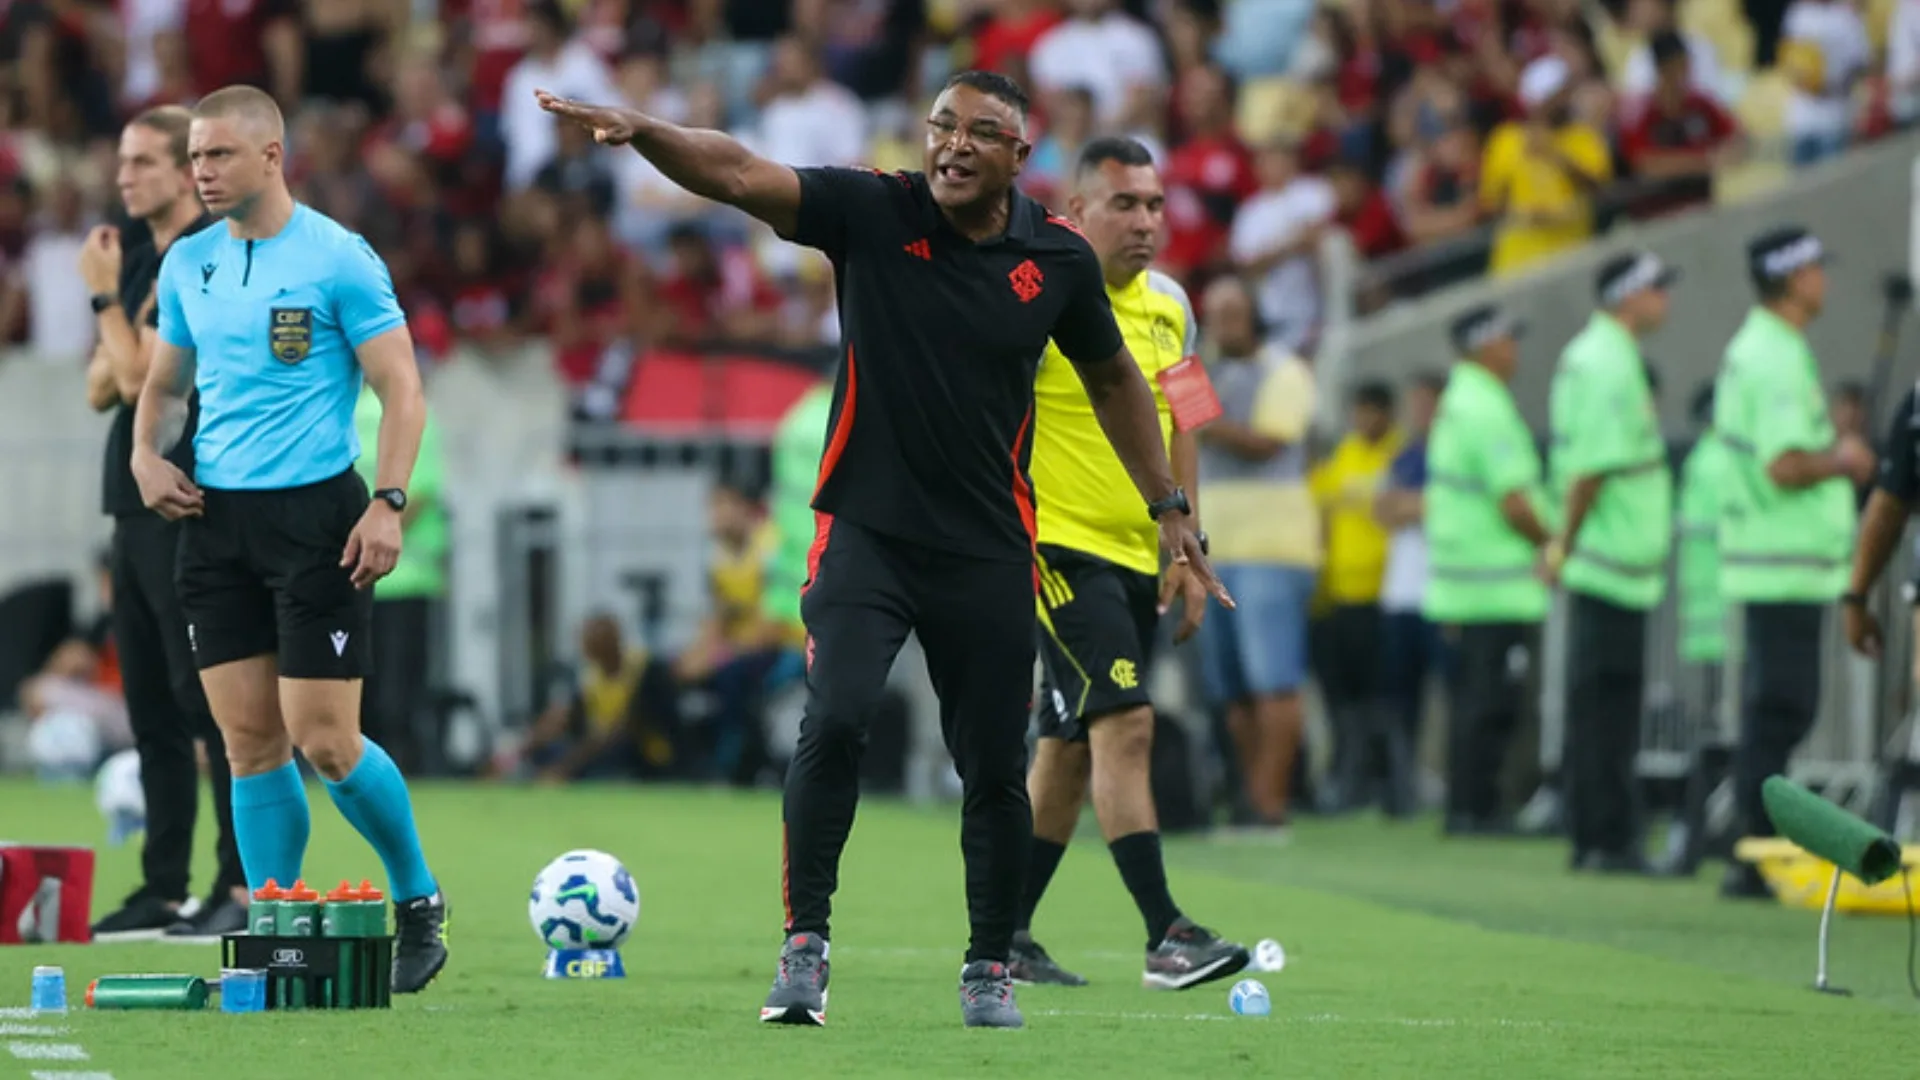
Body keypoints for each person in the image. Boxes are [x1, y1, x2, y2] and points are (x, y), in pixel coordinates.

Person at [535, 70, 1223, 1029]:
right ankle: (804, 946)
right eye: (941, 124)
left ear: (1019, 159)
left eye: (981, 133)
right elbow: (739, 172)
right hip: (868, 534)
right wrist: (645, 127)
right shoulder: (872, 208)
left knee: (993, 762)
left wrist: (1171, 509)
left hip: (990, 545)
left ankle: (990, 965)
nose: (952, 144)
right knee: (838, 718)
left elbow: (1116, 381)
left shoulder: (1060, 264)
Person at [131, 86, 448, 991]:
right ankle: (278, 925)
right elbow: (162, 390)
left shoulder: (338, 259)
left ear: (273, 156)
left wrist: (387, 502)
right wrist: (147, 464)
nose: (202, 172)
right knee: (247, 744)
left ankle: (419, 898)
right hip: (215, 524)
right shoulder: (189, 263)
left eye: (219, 155)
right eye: (194, 156)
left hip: (318, 521)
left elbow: (403, 388)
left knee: (327, 742)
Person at [1009, 136, 1250, 992]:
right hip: (1055, 548)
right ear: (1076, 212)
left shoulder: (1172, 306)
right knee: (1128, 722)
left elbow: (1188, 420)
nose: (1146, 222)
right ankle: (1166, 933)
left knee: (1069, 750)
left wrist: (1187, 544)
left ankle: (1004, 937)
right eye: (1124, 205)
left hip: (1134, 556)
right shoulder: (1035, 297)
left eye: (1154, 205)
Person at [79, 105, 248, 940]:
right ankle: (163, 885)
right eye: (122, 161)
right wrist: (118, 330)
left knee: (207, 702)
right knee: (149, 704)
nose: (125, 177)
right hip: (128, 501)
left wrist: (105, 299)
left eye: (144, 161)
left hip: (181, 497)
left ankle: (237, 882)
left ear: (185, 172)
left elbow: (139, 371)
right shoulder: (143, 257)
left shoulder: (192, 257)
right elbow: (99, 386)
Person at [1712, 226, 1874, 900]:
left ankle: (1752, 848)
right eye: (1815, 268)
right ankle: (1752, 854)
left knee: (1775, 712)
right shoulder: (1775, 355)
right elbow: (1783, 465)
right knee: (1780, 712)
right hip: (1783, 564)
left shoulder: (1765, 348)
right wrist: (1842, 457)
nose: (1824, 280)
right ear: (1791, 277)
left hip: (1779, 563)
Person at [1548, 251, 1679, 874]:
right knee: (1605, 709)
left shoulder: (1608, 354)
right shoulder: (1605, 361)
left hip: (1618, 563)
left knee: (1606, 705)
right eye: (1657, 289)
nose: (1665, 301)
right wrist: (1563, 544)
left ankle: (1600, 833)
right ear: (1628, 294)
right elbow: (1593, 470)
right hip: (1607, 561)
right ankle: (1604, 838)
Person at [1194, 276, 1318, 832]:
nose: (1223, 322)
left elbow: (1269, 441)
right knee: (1231, 687)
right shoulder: (1205, 371)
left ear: (1254, 314)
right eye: (1215, 312)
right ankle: (1248, 798)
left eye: (1233, 311)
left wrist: (1198, 421)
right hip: (1215, 549)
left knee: (1273, 679)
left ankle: (1273, 805)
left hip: (1274, 545)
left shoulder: (1284, 369)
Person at [1424, 306, 1554, 835]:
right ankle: (1477, 808)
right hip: (1495, 585)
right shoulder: (1484, 406)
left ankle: (1468, 804)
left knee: (1475, 701)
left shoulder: (1461, 401)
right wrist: (1553, 544)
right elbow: (1515, 502)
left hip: (1468, 584)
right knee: (1492, 703)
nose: (1514, 349)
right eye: (1506, 338)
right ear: (1483, 345)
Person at [1309, 382, 1402, 812]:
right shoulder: (1343, 456)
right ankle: (1349, 780)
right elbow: (1322, 513)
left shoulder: (1399, 456)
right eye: (1358, 412)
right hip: (1338, 597)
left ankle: (1385, 784)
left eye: (1370, 412)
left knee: (1378, 697)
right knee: (1342, 700)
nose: (1363, 421)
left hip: (1381, 595)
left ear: (1386, 414)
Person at [353, 382, 448, 776]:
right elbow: (421, 491)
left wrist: (356, 542)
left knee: (368, 696)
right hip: (403, 577)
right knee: (399, 694)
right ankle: (402, 774)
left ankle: (366, 776)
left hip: (370, 577)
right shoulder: (410, 409)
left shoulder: (335, 412)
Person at [1372, 372, 1448, 817]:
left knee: (1450, 694)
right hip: (1400, 594)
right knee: (1400, 698)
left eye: (1427, 403)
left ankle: (1443, 782)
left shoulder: (1452, 452)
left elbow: (1441, 507)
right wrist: (1417, 504)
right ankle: (1402, 788)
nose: (1420, 413)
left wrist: (1413, 504)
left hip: (1443, 591)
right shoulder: (1405, 456)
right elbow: (1383, 509)